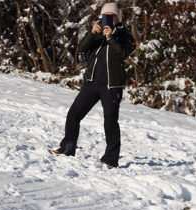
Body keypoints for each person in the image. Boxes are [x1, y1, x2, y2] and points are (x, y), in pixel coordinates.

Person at [50, 3, 135, 169]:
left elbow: (123, 54)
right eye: (105, 15)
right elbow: (82, 49)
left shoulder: (124, 36)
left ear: (118, 18)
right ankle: (67, 148)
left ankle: (110, 159)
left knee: (110, 121)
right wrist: (92, 33)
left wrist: (110, 37)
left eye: (112, 16)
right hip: (91, 84)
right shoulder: (97, 35)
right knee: (74, 114)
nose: (108, 18)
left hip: (111, 87)